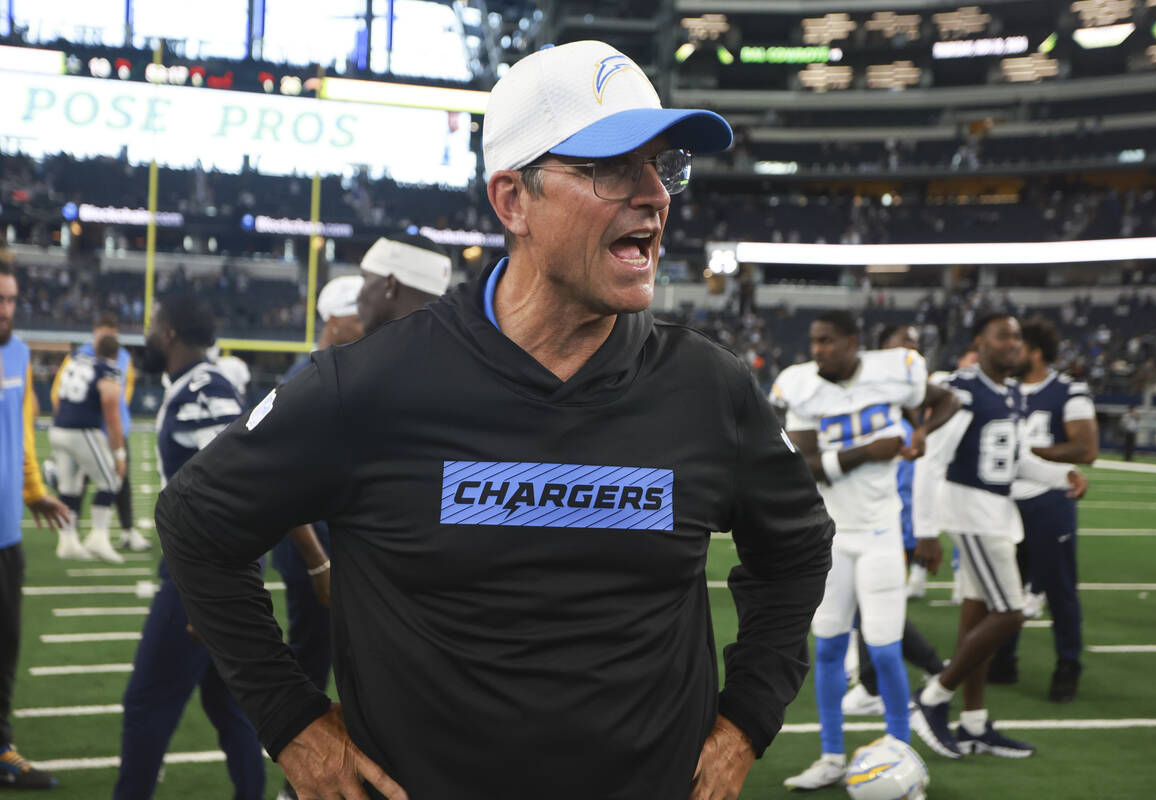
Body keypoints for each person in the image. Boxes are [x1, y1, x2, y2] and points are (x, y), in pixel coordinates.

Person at [156, 39, 835, 800]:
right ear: (513, 200)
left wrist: (746, 720)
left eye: (663, 164)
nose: (654, 194)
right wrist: (292, 722)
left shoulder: (709, 389)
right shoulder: (373, 387)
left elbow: (797, 551)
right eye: (613, 168)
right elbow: (196, 523)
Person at [773, 312, 959, 791]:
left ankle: (901, 752)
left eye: (827, 340)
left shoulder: (893, 370)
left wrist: (921, 435)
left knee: (885, 648)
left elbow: (948, 401)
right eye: (814, 340)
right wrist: (866, 452)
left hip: (879, 534)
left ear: (852, 342)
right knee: (830, 647)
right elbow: (805, 465)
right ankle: (832, 755)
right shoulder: (803, 387)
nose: (817, 350)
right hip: (832, 536)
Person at [909, 313, 1087, 760]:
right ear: (980, 342)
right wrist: (925, 532)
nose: (1014, 343)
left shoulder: (1007, 391)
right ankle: (931, 699)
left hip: (995, 511)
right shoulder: (962, 390)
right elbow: (930, 462)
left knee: (977, 621)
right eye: (1003, 336)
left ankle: (972, 723)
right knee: (1011, 612)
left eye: (1017, 337)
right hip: (972, 512)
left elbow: (1014, 460)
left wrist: (1058, 474)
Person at [112, 294, 264, 800]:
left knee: (146, 704)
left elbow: (239, 487)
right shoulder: (193, 386)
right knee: (227, 707)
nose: (148, 334)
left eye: (153, 324)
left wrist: (209, 592)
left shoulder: (204, 389)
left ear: (170, 332)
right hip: (208, 573)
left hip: (198, 578)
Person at [271, 275, 367, 800]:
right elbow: (282, 483)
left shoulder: (342, 371)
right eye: (358, 314)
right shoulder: (307, 378)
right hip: (315, 549)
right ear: (334, 320)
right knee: (313, 665)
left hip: (337, 545)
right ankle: (299, 783)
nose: (367, 322)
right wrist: (317, 562)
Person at [840, 324, 947, 720]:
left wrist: (925, 532)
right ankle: (930, 671)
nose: (912, 351)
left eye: (917, 346)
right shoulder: (870, 392)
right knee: (870, 608)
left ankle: (883, 683)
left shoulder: (918, 399)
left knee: (875, 610)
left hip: (893, 524)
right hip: (863, 515)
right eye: (904, 344)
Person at [990, 316, 1097, 701]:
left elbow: (1086, 448)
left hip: (1049, 499)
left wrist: (1032, 453)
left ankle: (1068, 665)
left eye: (1016, 345)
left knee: (1059, 588)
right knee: (1006, 585)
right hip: (1005, 501)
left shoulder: (1068, 390)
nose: (1008, 352)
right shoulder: (1003, 389)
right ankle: (1004, 659)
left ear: (1034, 352)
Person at [0, 261, 70, 789]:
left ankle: (1, 747)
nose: (5, 310)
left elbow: (21, 432)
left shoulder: (20, 353)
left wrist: (32, 493)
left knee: (4, 646)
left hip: (6, 533)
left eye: (11, 299)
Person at [51, 312, 149, 552]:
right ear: (95, 332)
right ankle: (71, 536)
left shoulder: (123, 355)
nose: (108, 336)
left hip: (112, 427)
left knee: (120, 482)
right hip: (88, 427)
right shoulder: (79, 354)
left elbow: (125, 391)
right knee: (79, 483)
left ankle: (126, 531)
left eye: (112, 332)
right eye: (104, 331)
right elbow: (59, 391)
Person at [47, 329, 128, 563]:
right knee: (112, 481)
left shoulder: (75, 360)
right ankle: (98, 538)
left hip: (58, 428)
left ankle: (68, 542)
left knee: (69, 489)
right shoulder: (108, 369)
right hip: (82, 431)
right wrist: (120, 453)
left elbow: (59, 398)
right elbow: (111, 412)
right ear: (115, 354)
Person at [356, 236, 451, 334]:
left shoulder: (375, 348)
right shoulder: (456, 344)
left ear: (390, 284)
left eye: (365, 278)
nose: (358, 296)